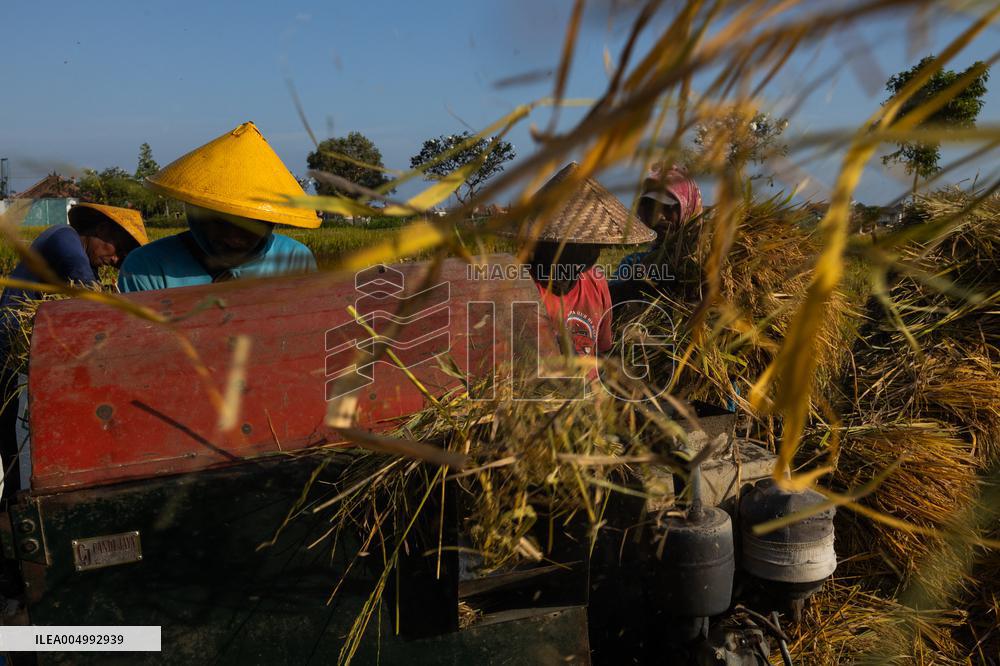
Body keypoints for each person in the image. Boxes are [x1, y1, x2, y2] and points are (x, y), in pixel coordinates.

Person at [0, 203, 147, 500]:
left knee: (19, 431)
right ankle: (9, 503)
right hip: (6, 341)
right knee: (4, 429)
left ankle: (16, 499)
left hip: (31, 355)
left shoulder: (85, 261)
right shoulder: (63, 236)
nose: (114, 258)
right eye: (117, 249)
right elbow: (85, 285)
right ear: (102, 230)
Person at [118, 121, 319, 292]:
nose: (234, 238)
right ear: (195, 214)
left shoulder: (293, 259)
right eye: (221, 221)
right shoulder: (147, 267)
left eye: (251, 224)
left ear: (271, 222)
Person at [510, 162, 656, 359]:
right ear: (542, 244)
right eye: (572, 247)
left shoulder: (596, 283)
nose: (587, 256)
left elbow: (602, 349)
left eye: (593, 247)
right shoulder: (521, 290)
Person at [609, 163, 703, 304]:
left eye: (668, 207)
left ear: (688, 207)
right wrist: (628, 289)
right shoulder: (633, 264)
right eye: (652, 208)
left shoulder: (711, 261)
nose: (658, 217)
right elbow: (606, 307)